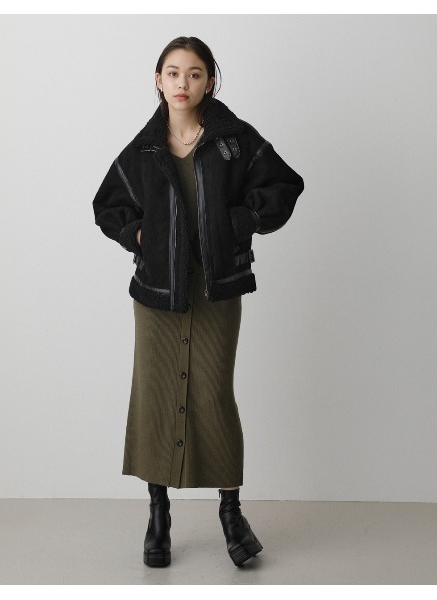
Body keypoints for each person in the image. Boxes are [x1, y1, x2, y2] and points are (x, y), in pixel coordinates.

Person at [92, 36, 304, 568]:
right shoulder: (144, 149)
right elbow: (107, 205)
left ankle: (231, 513)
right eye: (172, 72)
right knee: (155, 395)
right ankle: (158, 514)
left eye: (193, 73)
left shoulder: (234, 140)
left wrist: (241, 222)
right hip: (158, 294)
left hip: (216, 290)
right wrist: (140, 235)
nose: (182, 83)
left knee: (213, 393)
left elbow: (284, 185)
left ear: (210, 80)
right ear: (157, 80)